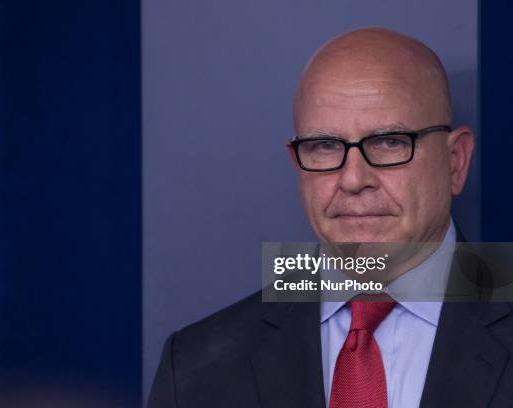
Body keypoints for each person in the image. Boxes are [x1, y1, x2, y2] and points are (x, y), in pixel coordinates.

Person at [147, 27, 513, 408]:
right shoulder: (197, 368)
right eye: (325, 146)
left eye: (389, 142)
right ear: (298, 163)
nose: (353, 179)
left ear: (456, 162)